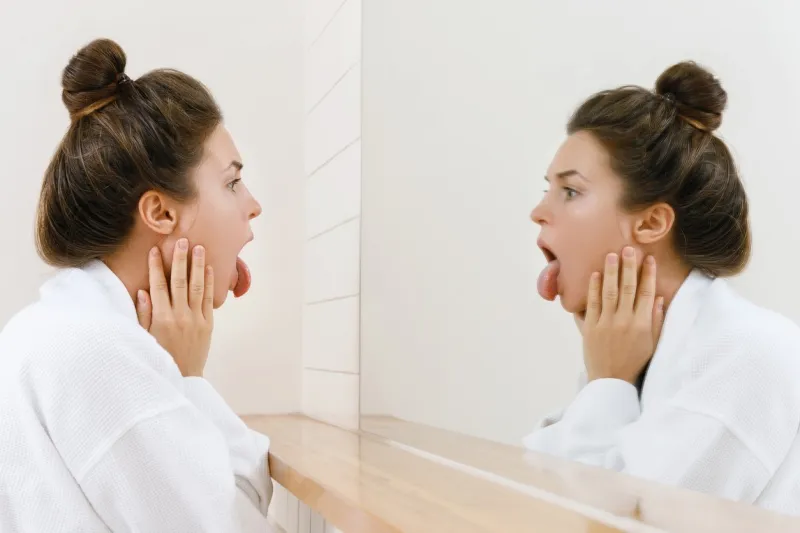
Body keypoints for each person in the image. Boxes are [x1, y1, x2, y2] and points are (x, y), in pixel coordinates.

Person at [0, 38, 273, 532]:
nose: (253, 205)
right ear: (161, 213)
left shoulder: (61, 330)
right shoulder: (95, 352)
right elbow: (241, 521)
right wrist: (189, 379)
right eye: (232, 183)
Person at [523, 61, 800, 514]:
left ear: (652, 222)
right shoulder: (636, 352)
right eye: (546, 190)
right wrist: (607, 378)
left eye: (570, 192)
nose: (538, 211)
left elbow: (612, 522)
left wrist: (608, 384)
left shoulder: (749, 353)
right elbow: (539, 480)